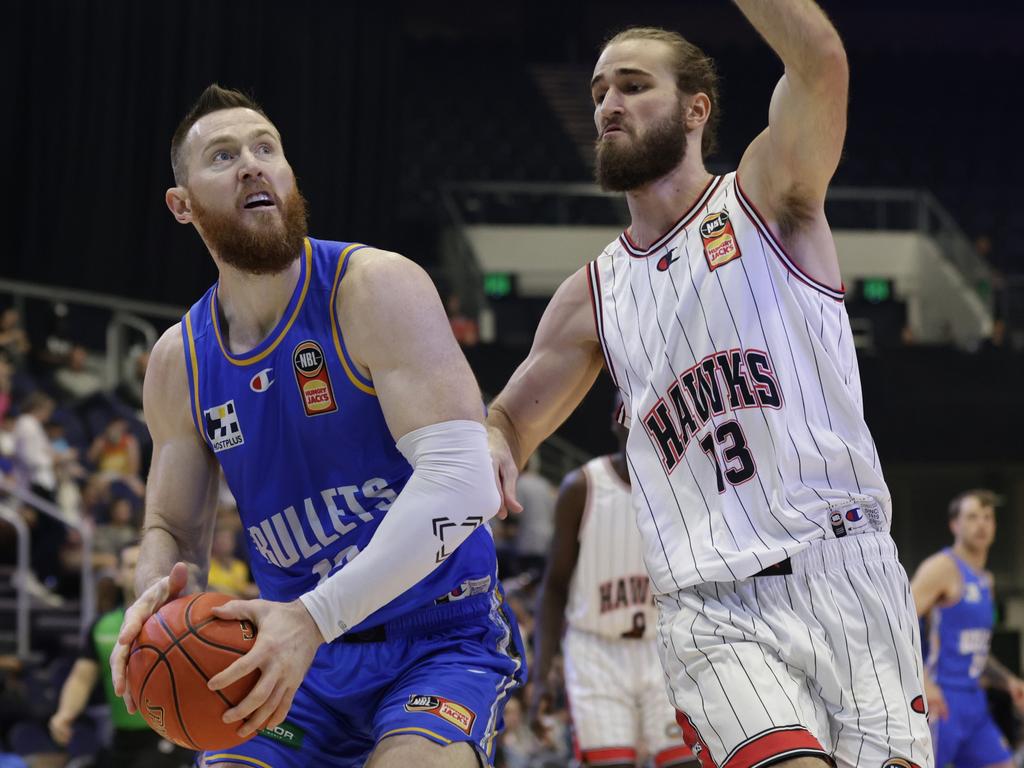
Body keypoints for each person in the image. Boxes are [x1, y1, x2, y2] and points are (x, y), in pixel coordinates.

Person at [486, 6, 932, 767]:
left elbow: (820, 61)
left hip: (849, 568)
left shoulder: (768, 196)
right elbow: (511, 419)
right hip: (713, 607)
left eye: (633, 85)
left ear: (697, 109)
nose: (608, 105)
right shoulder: (593, 295)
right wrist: (493, 443)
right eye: (599, 91)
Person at [108, 84, 524, 768]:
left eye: (265, 148)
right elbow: (175, 531)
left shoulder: (374, 287)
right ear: (182, 207)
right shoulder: (178, 360)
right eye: (223, 156)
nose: (252, 164)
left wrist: (313, 617)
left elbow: (463, 483)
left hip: (437, 641)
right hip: (292, 653)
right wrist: (155, 606)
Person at [530, 404, 692, 768]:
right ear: (614, 421)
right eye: (625, 409)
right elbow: (553, 587)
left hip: (664, 648)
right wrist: (540, 677)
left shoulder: (683, 490)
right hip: (596, 651)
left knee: (686, 761)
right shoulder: (582, 487)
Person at [49, 542, 193, 768]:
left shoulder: (181, 622)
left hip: (170, 736)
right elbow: (82, 677)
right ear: (117, 575)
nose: (137, 573)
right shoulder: (101, 626)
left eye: (142, 565)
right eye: (130, 566)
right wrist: (64, 714)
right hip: (122, 738)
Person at [910, 490, 1023, 768]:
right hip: (942, 700)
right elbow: (899, 623)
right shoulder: (941, 568)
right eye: (972, 517)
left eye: (988, 517)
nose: (982, 524)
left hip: (975, 701)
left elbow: (977, 650)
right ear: (954, 525)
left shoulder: (986, 580)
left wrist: (1008, 681)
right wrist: (923, 681)